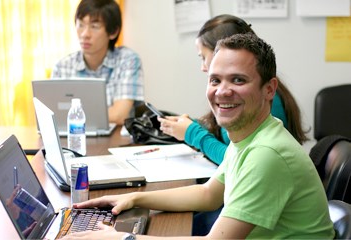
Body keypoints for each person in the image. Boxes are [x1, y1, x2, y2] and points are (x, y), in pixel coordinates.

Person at [62, 34, 334, 239]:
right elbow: (208, 195)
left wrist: (123, 237)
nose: (222, 91)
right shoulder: (252, 136)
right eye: (215, 80)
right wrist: (135, 199)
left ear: (269, 89)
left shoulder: (267, 154)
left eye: (238, 80)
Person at [159, 15, 308, 165]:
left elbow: (240, 161)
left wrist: (192, 133)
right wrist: (190, 125)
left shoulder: (265, 102)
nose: (203, 67)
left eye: (203, 57)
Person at [51, 0, 144, 125]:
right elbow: (53, 115)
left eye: (94, 27)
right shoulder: (62, 66)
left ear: (113, 32)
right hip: (73, 138)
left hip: (118, 141)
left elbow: (119, 115)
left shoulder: (128, 61)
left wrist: (73, 115)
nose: (84, 34)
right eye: (81, 24)